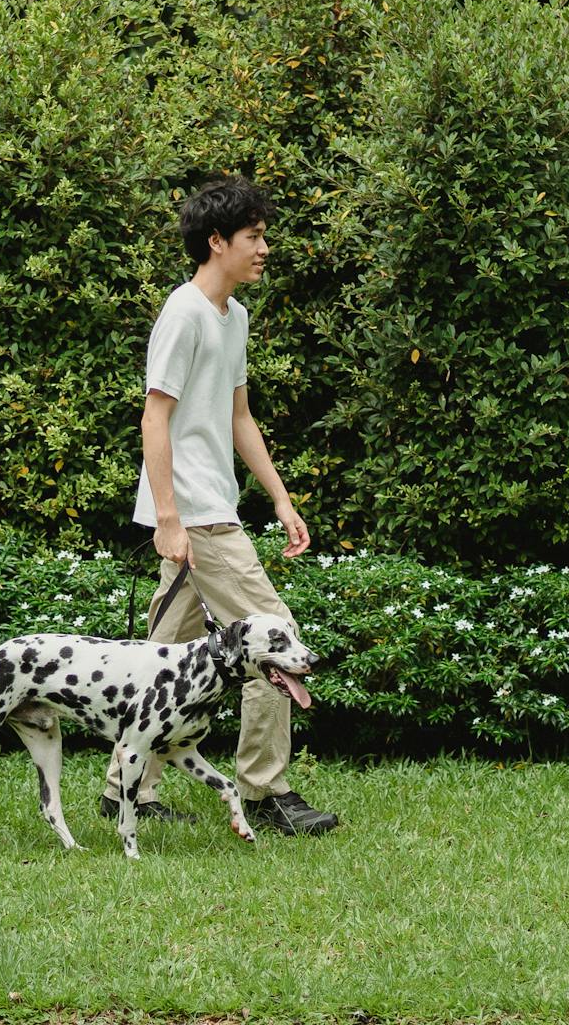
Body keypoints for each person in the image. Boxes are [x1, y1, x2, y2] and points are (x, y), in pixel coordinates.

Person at [98, 176, 341, 836]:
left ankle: (127, 786)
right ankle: (266, 791)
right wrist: (170, 519)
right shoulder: (184, 314)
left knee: (162, 653)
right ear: (216, 242)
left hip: (207, 509)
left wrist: (280, 498)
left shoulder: (234, 317)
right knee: (273, 637)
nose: (265, 248)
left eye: (263, 235)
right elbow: (155, 418)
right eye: (253, 237)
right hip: (195, 515)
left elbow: (239, 417)